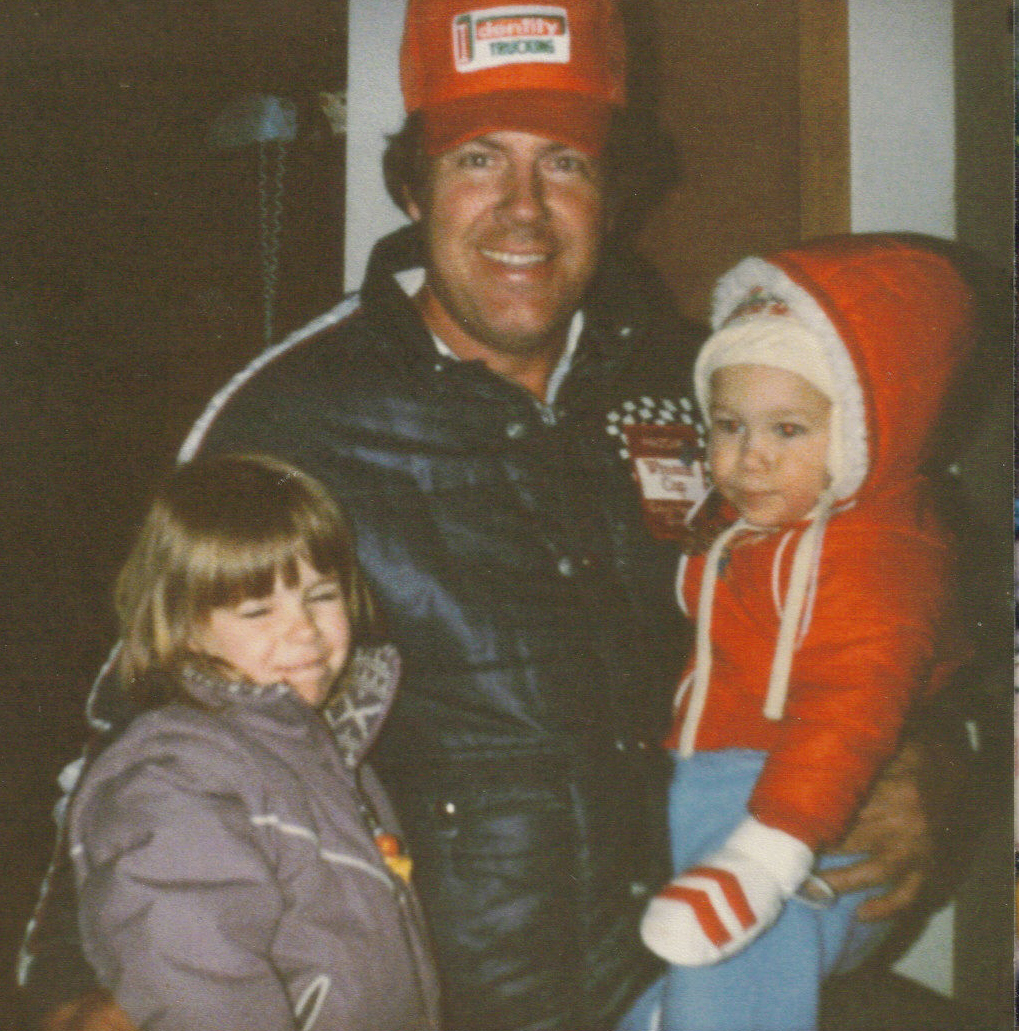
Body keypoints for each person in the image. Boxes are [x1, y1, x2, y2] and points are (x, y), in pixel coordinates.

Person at [20, 4, 974, 1030]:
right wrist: (77, 990)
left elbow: (886, 586)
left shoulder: (720, 391)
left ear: (613, 194)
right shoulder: (286, 422)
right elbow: (137, 734)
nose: (522, 209)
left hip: (711, 970)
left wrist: (934, 757)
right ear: (411, 183)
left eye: (564, 163)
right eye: (478, 157)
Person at [615, 236, 974, 1031]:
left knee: (738, 961)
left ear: (860, 436)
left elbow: (850, 711)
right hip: (710, 789)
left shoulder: (874, 557)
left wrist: (764, 855)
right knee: (701, 981)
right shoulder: (747, 528)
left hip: (784, 804)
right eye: (729, 424)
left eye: (787, 430)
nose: (747, 458)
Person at [64, 453, 441, 1031]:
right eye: (258, 609)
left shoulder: (329, 752)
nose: (305, 630)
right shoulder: (177, 778)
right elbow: (195, 986)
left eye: (321, 595)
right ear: (184, 624)